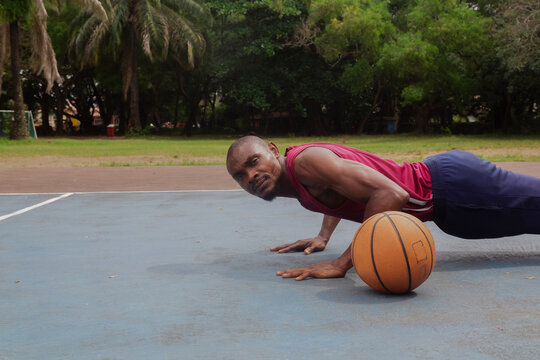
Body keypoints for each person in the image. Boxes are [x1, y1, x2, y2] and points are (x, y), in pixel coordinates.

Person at [226, 136, 540, 281]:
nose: (250, 176)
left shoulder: (305, 163)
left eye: (253, 162)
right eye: (240, 175)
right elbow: (339, 189)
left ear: (272, 150)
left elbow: (391, 193)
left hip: (452, 187)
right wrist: (323, 236)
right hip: (446, 208)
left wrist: (344, 262)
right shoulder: (298, 178)